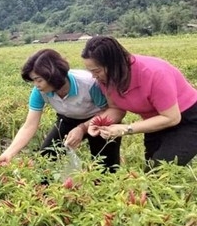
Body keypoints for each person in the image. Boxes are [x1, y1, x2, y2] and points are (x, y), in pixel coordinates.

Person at [0, 49, 122, 171]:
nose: (36, 85)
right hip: (68, 119)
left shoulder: (89, 83)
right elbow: (29, 126)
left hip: (99, 120)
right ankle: (43, 190)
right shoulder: (39, 92)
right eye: (33, 80)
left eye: (39, 79)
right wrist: (9, 153)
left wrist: (82, 128)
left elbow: (110, 111)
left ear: (53, 75)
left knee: (105, 167)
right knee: (46, 158)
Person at [82, 36, 197, 168]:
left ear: (114, 64)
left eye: (97, 71)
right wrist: (96, 123)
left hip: (188, 120)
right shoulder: (106, 79)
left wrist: (126, 129)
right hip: (155, 122)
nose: (94, 76)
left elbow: (172, 118)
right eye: (90, 71)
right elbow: (116, 109)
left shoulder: (154, 73)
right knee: (150, 167)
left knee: (160, 168)